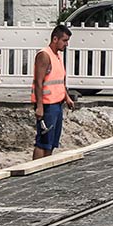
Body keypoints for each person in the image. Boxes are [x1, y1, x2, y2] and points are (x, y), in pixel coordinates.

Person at [31, 24, 75, 159]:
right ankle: (36, 169)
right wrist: (39, 106)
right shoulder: (44, 55)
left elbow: (59, 80)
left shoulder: (57, 56)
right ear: (55, 39)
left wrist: (66, 97)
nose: (66, 44)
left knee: (51, 142)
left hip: (57, 104)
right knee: (43, 141)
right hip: (46, 105)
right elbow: (39, 82)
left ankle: (46, 167)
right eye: (65, 40)